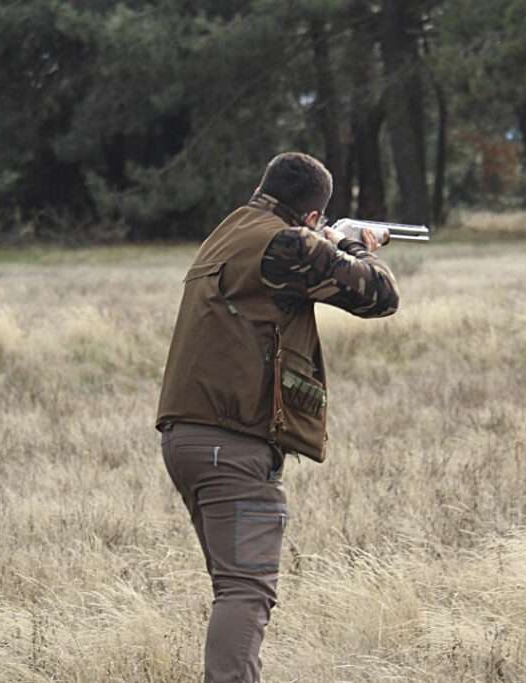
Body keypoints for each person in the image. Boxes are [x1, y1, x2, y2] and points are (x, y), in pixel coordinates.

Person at [155, 151, 400, 682]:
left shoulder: (228, 231)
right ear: (312, 216)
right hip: (234, 444)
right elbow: (380, 296)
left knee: (234, 587)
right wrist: (355, 242)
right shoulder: (287, 243)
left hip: (188, 438)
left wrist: (330, 239)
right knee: (246, 591)